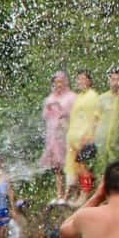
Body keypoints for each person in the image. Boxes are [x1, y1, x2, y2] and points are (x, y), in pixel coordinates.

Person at [40, 71, 75, 203]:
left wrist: (62, 109)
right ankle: (59, 194)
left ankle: (70, 194)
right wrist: (49, 108)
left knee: (70, 163)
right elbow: (45, 116)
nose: (58, 85)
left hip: (66, 133)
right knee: (56, 166)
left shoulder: (71, 96)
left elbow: (74, 114)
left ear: (65, 82)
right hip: (52, 135)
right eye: (56, 82)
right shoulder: (49, 98)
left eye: (61, 82)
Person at [64, 71, 101, 201]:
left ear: (89, 81)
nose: (80, 81)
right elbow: (76, 117)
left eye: (83, 79)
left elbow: (97, 117)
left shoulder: (93, 96)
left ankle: (84, 195)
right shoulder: (78, 97)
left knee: (82, 166)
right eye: (78, 79)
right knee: (75, 167)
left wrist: (90, 134)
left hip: (86, 138)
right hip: (73, 139)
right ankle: (78, 193)